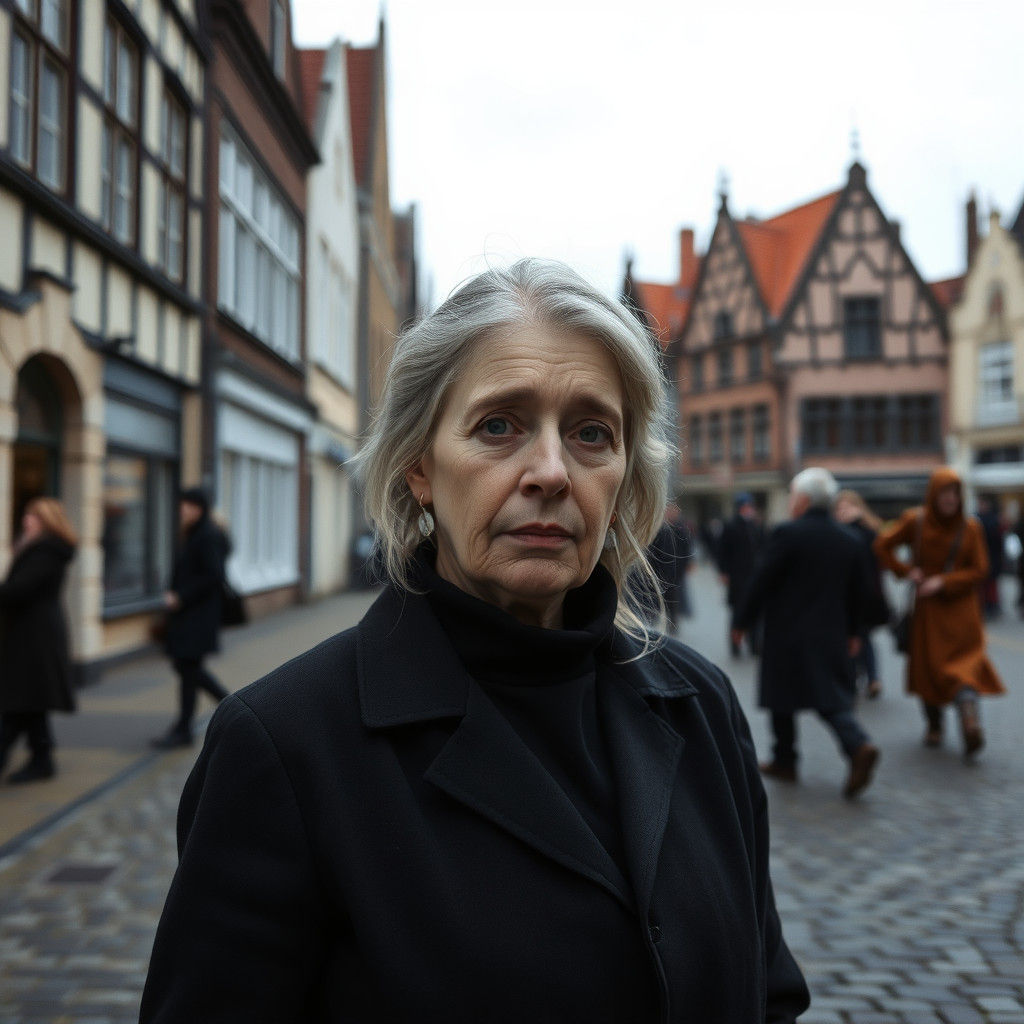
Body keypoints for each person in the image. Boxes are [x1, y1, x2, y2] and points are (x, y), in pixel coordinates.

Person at [140, 259, 809, 1022]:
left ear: (625, 474)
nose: (552, 472)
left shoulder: (701, 704)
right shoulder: (287, 746)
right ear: (419, 465)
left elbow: (769, 992)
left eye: (592, 433)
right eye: (499, 426)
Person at [732, 468, 879, 799]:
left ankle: (787, 759)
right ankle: (855, 744)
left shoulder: (788, 533)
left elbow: (762, 580)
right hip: (832, 632)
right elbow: (862, 592)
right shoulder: (850, 538)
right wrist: (855, 632)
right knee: (830, 698)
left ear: (802, 500)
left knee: (781, 697)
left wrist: (741, 621)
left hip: (788, 632)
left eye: (792, 495)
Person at [874, 468, 1005, 757]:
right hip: (928, 612)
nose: (951, 499)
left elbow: (980, 569)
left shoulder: (971, 527)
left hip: (961, 612)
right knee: (928, 668)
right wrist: (907, 571)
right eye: (945, 492)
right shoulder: (916, 521)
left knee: (964, 668)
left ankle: (968, 720)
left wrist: (942, 582)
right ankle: (935, 724)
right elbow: (882, 545)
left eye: (955, 493)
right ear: (933, 494)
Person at [0, 498, 77, 783]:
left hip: (35, 637)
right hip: (31, 633)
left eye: (33, 516)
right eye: (26, 515)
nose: (26, 521)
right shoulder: (39, 548)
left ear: (47, 521)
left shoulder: (46, 551)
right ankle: (42, 759)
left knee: (18, 702)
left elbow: (20, 589)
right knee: (30, 701)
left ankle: (32, 758)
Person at [150, 487, 230, 749]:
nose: (182, 510)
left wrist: (181, 596)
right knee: (187, 669)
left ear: (198, 508)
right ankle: (187, 725)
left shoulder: (206, 536)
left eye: (186, 505)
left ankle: (223, 707)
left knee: (188, 669)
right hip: (190, 615)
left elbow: (214, 575)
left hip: (197, 616)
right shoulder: (196, 533)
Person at [833, 489, 889, 699]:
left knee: (862, 636)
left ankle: (870, 678)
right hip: (844, 596)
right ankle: (861, 677)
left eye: (847, 507)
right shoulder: (838, 532)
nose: (843, 512)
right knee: (855, 638)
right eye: (840, 508)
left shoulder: (867, 532)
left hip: (866, 595)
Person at [718, 492, 765, 656]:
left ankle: (755, 645)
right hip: (737, 577)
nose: (749, 509)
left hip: (754, 576)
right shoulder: (731, 526)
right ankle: (735, 646)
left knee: (755, 611)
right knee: (737, 612)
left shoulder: (756, 526)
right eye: (746, 506)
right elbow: (722, 551)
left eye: (750, 506)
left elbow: (762, 548)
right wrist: (724, 572)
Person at [976, 494, 1003, 618]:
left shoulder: (991, 520)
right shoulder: (979, 518)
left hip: (992, 556)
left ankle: (991, 605)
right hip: (986, 556)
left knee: (990, 584)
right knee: (985, 584)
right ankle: (987, 605)